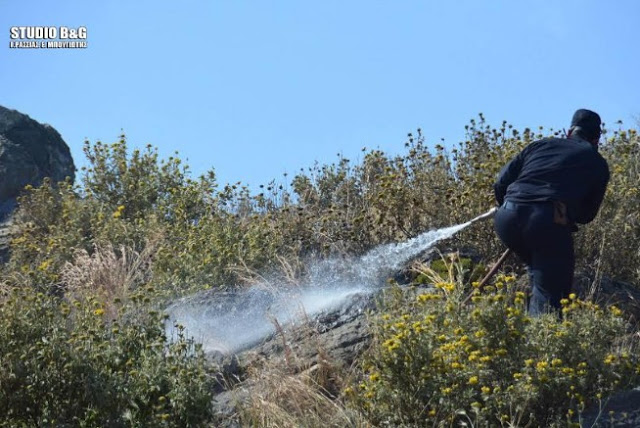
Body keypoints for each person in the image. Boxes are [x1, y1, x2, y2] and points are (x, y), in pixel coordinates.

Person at [493, 109, 610, 315]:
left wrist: (518, 209)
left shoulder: (540, 145)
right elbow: (587, 215)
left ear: (569, 131)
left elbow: (501, 182)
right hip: (545, 220)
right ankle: (539, 343)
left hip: (506, 216)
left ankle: (524, 327)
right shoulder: (597, 163)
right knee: (550, 292)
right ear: (597, 138)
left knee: (539, 271)